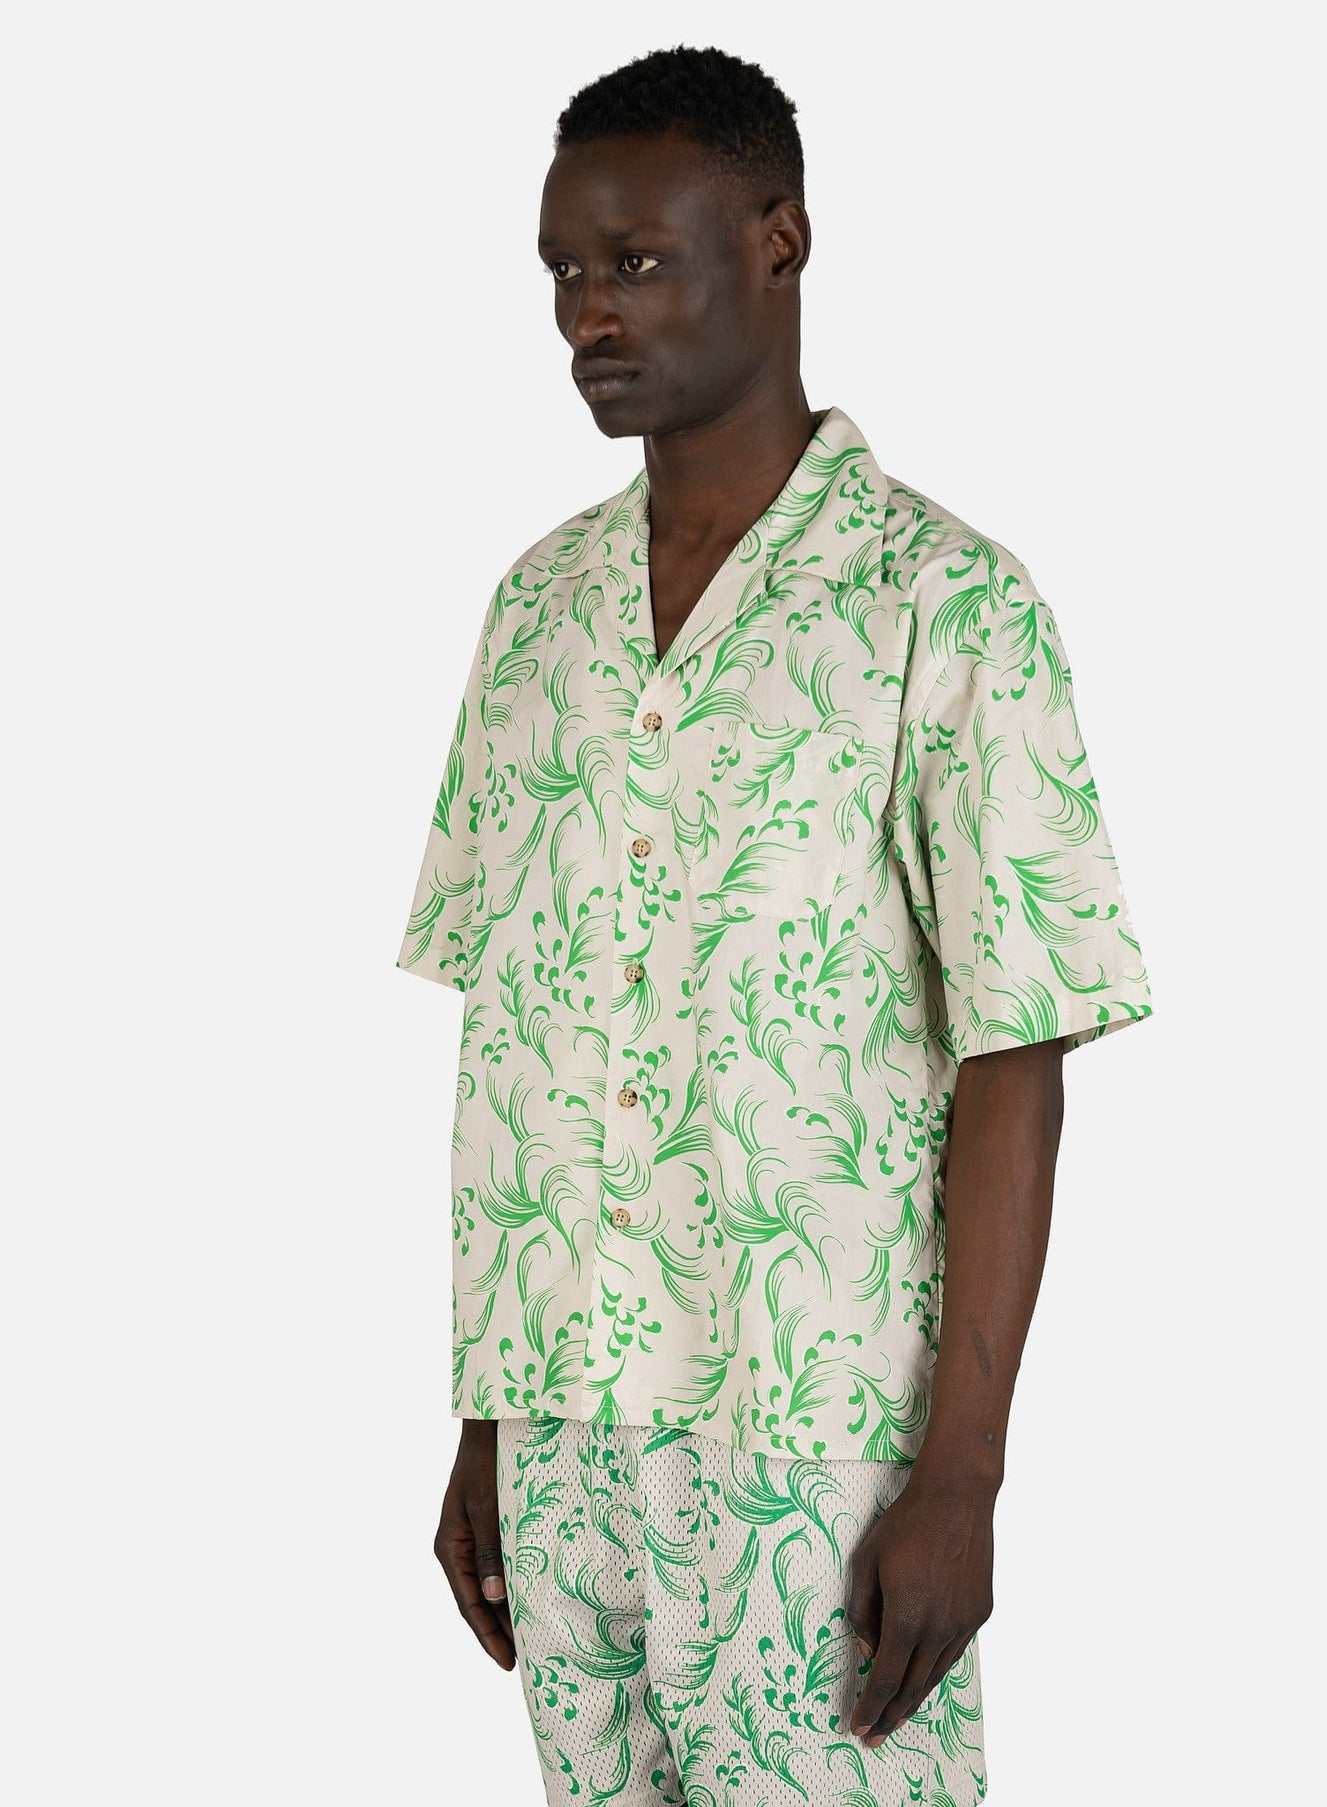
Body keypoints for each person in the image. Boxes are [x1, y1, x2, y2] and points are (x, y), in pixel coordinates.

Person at [396, 43, 1152, 1807]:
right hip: (562, 1435)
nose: (588, 312)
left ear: (778, 241)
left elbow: (1015, 1056)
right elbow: (517, 1035)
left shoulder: (944, 604)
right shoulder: (534, 612)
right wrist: (487, 1419)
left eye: (635, 262)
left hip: (813, 1442)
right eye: (563, 270)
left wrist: (962, 1474)